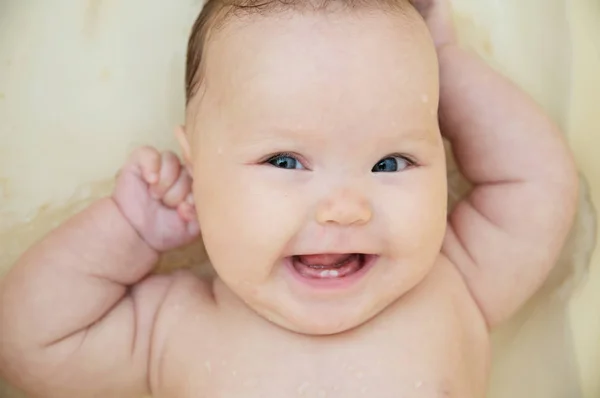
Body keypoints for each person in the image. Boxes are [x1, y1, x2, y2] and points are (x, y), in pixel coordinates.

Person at [0, 0, 578, 396]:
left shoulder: (457, 283)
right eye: (285, 161)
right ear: (198, 172)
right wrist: (127, 232)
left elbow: (536, 182)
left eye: (390, 162)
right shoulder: (172, 325)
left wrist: (441, 67)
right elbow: (27, 342)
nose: (345, 209)